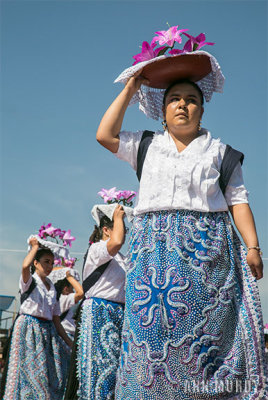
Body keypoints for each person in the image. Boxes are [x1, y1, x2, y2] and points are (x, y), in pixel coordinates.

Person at [96, 51, 267, 398]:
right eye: (174, 99)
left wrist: (252, 246)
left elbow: (238, 202)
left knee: (204, 343)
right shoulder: (145, 145)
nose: (183, 106)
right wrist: (132, 87)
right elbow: (105, 134)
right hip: (151, 259)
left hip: (208, 258)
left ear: (202, 110)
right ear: (163, 111)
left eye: (192, 100)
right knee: (148, 339)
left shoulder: (221, 153)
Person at [65, 204, 127, 400]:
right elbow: (116, 242)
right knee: (99, 371)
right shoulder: (97, 249)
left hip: (118, 314)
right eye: (118, 226)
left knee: (115, 372)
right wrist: (118, 216)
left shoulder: (122, 259)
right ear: (106, 230)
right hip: (100, 312)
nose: (123, 232)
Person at [1, 237, 72, 400]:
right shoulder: (29, 281)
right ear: (36, 263)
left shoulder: (52, 288)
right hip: (29, 330)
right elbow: (24, 266)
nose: (49, 266)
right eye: (46, 262)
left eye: (52, 262)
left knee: (51, 375)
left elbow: (56, 319)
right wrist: (34, 247)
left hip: (47, 332)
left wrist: (69, 342)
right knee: (29, 373)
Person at [49, 267, 84, 339]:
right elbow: (80, 293)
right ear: (66, 288)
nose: (73, 291)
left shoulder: (55, 298)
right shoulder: (65, 299)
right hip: (67, 335)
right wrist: (69, 277)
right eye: (72, 288)